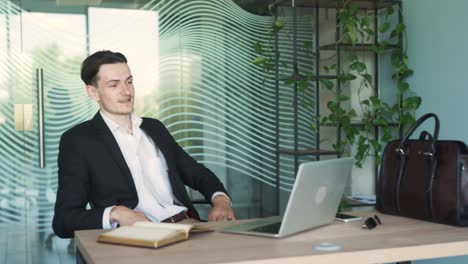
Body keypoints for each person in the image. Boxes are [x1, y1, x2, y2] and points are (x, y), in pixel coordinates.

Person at [52, 50, 235, 238]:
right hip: (138, 239)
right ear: (93, 92)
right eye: (114, 85)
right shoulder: (79, 140)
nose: (126, 91)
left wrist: (220, 199)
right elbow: (64, 221)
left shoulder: (154, 128)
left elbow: (195, 172)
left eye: (129, 81)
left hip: (187, 226)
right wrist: (117, 213)